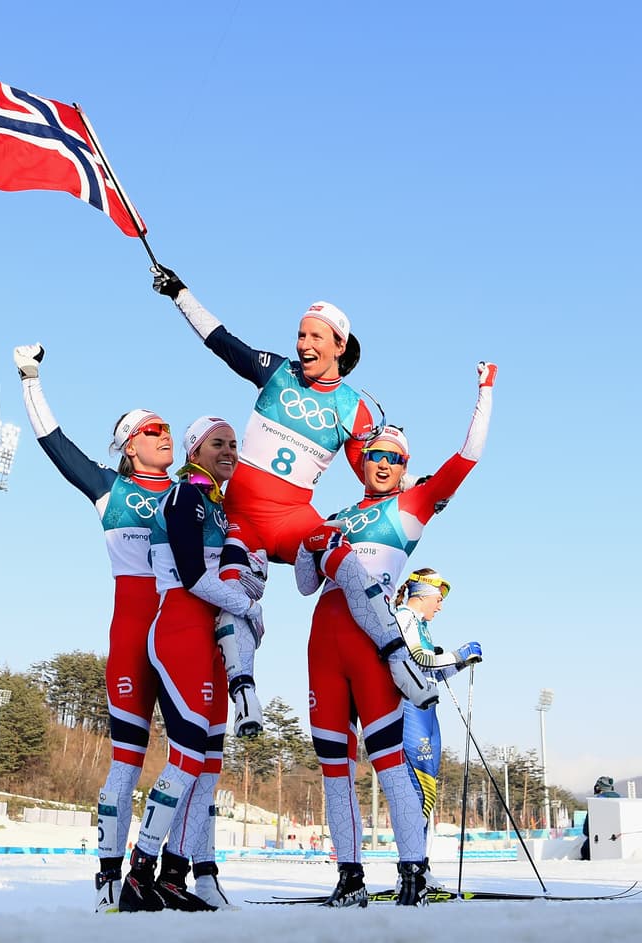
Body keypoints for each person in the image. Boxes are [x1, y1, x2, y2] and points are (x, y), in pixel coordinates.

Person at [151, 267, 438, 732]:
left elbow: (371, 471)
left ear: (339, 346)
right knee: (233, 590)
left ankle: (399, 659)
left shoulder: (354, 407)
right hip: (241, 518)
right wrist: (180, 293)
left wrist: (415, 491)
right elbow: (222, 342)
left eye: (315, 337)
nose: (304, 344)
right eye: (300, 334)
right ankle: (244, 694)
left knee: (344, 559)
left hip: (290, 520)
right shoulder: (277, 372)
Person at [295, 362, 496, 907]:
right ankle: (350, 877)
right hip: (323, 649)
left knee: (388, 767)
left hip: (370, 646)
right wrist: (313, 543)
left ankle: (413, 872)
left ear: (406, 468)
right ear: (361, 462)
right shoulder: (337, 512)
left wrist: (485, 390)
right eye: (375, 455)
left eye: (395, 458)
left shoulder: (411, 505)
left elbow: (467, 458)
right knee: (335, 772)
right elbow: (305, 584)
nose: (383, 463)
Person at [14, 342, 178, 913]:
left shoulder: (192, 493)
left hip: (181, 629)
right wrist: (30, 380)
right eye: (154, 428)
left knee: (193, 758)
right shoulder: (110, 488)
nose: (167, 435)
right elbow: (54, 444)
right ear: (130, 444)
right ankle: (110, 876)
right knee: (127, 762)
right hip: (133, 628)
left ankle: (158, 871)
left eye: (168, 428)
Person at [121, 417, 255, 912]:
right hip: (179, 627)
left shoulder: (219, 506)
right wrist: (246, 605)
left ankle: (174, 874)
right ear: (194, 451)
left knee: (210, 766)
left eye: (233, 444)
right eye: (217, 443)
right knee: (186, 759)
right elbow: (195, 577)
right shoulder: (184, 496)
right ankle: (140, 872)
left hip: (207, 640)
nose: (229, 450)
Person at [395, 567, 483, 888]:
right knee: (417, 795)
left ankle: (422, 869)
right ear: (422, 595)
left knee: (428, 798)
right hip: (410, 712)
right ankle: (410, 871)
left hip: (428, 715)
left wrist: (460, 662)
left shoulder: (423, 626)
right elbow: (420, 657)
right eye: (439, 598)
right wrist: (455, 654)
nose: (441, 606)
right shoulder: (403, 617)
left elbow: (435, 672)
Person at [581, 776, 622, 860]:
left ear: (597, 788)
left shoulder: (596, 804)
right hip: (621, 844)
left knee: (584, 850)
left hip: (599, 847)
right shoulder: (623, 801)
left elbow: (586, 831)